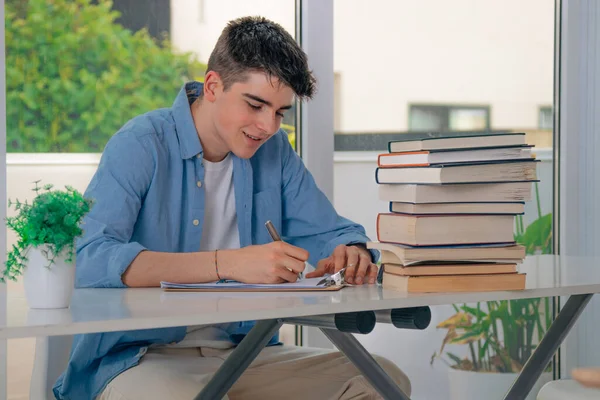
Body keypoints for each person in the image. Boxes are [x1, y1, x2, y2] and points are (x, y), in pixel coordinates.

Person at [53, 16, 411, 400]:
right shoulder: (141, 144)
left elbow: (330, 230)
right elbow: (91, 257)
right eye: (255, 105)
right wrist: (228, 263)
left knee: (382, 380)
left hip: (247, 354)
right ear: (212, 86)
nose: (268, 126)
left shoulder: (273, 153)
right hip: (141, 359)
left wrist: (351, 252)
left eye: (279, 112)